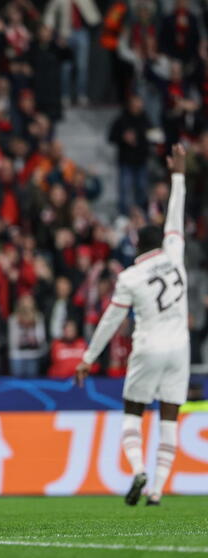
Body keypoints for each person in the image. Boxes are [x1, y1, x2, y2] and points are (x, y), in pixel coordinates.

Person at [76, 144, 189, 507]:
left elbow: (111, 321)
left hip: (149, 348)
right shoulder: (176, 257)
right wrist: (178, 175)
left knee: (133, 411)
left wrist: (89, 357)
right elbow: (175, 216)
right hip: (180, 350)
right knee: (170, 416)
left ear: (137, 245)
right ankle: (157, 489)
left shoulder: (131, 276)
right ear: (164, 243)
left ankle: (139, 468)